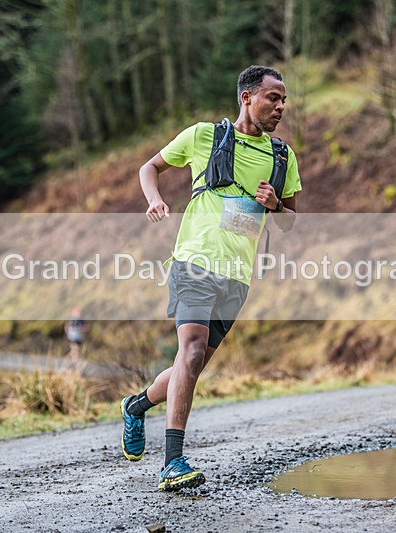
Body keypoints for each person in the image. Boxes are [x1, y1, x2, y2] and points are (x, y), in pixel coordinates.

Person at [120, 65, 302, 491]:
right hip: (194, 262)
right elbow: (150, 167)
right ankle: (173, 461)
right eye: (272, 98)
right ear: (247, 97)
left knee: (193, 362)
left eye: (283, 100)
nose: (280, 107)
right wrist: (154, 199)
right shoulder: (205, 136)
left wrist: (276, 204)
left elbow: (293, 223)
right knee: (193, 347)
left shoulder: (283, 157)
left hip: (237, 275)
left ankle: (135, 406)